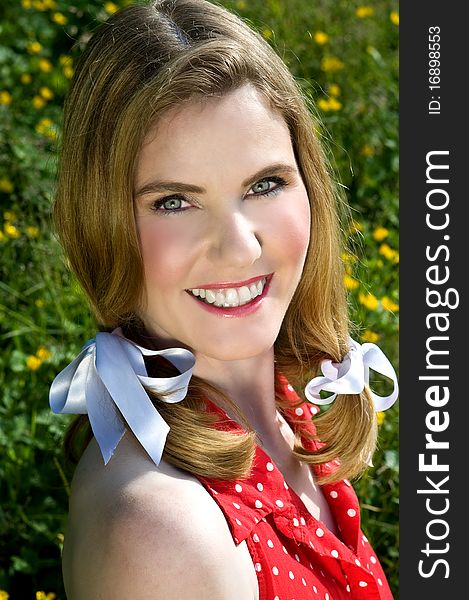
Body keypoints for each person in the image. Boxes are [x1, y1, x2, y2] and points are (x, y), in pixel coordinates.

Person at [49, 0, 399, 598]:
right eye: (174, 202)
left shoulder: (290, 411)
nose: (239, 249)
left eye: (263, 185)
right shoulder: (161, 534)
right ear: (99, 225)